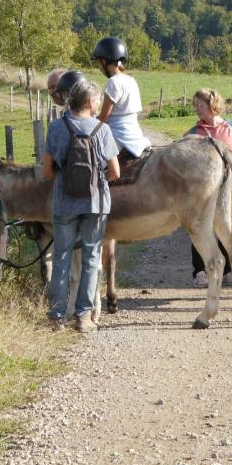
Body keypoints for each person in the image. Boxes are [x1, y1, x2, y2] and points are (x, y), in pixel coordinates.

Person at [42, 79, 120, 333]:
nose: (99, 103)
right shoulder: (102, 130)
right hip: (96, 204)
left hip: (64, 204)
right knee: (90, 259)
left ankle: (56, 316)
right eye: (97, 99)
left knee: (62, 258)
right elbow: (115, 172)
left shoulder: (56, 128)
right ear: (89, 102)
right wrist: (97, 183)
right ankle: (83, 317)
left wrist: (66, 181)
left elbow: (47, 171)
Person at [185, 89, 232, 288]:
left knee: (228, 227)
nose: (197, 109)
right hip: (202, 191)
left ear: (213, 105)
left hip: (231, 187)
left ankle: (229, 270)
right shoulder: (193, 133)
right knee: (201, 228)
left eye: (201, 104)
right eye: (195, 105)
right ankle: (200, 271)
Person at [92, 37, 151, 164]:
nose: (99, 68)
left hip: (118, 136)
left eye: (98, 63)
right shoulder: (131, 80)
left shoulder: (113, 82)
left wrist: (88, 124)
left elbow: (103, 118)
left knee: (92, 162)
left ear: (105, 61)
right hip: (135, 134)